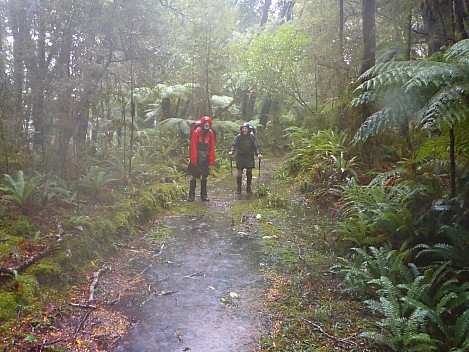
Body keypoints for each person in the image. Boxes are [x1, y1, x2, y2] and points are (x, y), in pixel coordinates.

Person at [228, 123, 263, 194]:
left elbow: (255, 147)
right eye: (243, 128)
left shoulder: (252, 137)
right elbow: (234, 145)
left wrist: (258, 154)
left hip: (249, 156)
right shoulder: (238, 137)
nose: (244, 130)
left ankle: (248, 187)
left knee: (249, 171)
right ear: (241, 129)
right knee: (239, 172)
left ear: (248, 129)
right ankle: (239, 187)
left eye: (245, 128)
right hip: (240, 156)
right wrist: (232, 151)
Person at [187, 116, 215, 201]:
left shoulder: (210, 133)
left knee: (204, 176)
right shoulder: (196, 132)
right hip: (197, 156)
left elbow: (212, 147)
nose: (207, 125)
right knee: (194, 176)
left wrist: (211, 159)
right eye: (205, 123)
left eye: (208, 123)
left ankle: (204, 195)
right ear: (202, 124)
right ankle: (191, 195)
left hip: (205, 157)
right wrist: (194, 159)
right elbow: (193, 147)